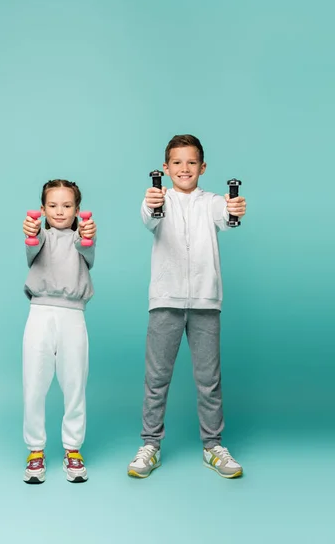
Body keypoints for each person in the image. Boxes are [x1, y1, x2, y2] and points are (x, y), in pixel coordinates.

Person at [127, 135, 247, 479]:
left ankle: (213, 446)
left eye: (191, 162)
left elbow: (228, 215)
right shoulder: (157, 198)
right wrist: (152, 202)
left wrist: (234, 207)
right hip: (165, 299)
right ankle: (150, 444)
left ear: (202, 167)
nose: (184, 168)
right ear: (165, 169)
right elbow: (148, 217)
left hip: (206, 303)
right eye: (177, 163)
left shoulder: (211, 202)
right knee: (157, 378)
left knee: (209, 380)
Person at [22, 179, 96, 484]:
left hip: (73, 316)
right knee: (34, 385)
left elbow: (87, 252)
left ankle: (72, 449)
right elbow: (33, 242)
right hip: (40, 312)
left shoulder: (84, 234)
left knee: (75, 383)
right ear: (42, 209)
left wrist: (87, 233)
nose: (60, 211)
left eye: (67, 206)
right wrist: (32, 230)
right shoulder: (39, 234)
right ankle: (35, 451)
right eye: (52, 205)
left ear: (77, 210)